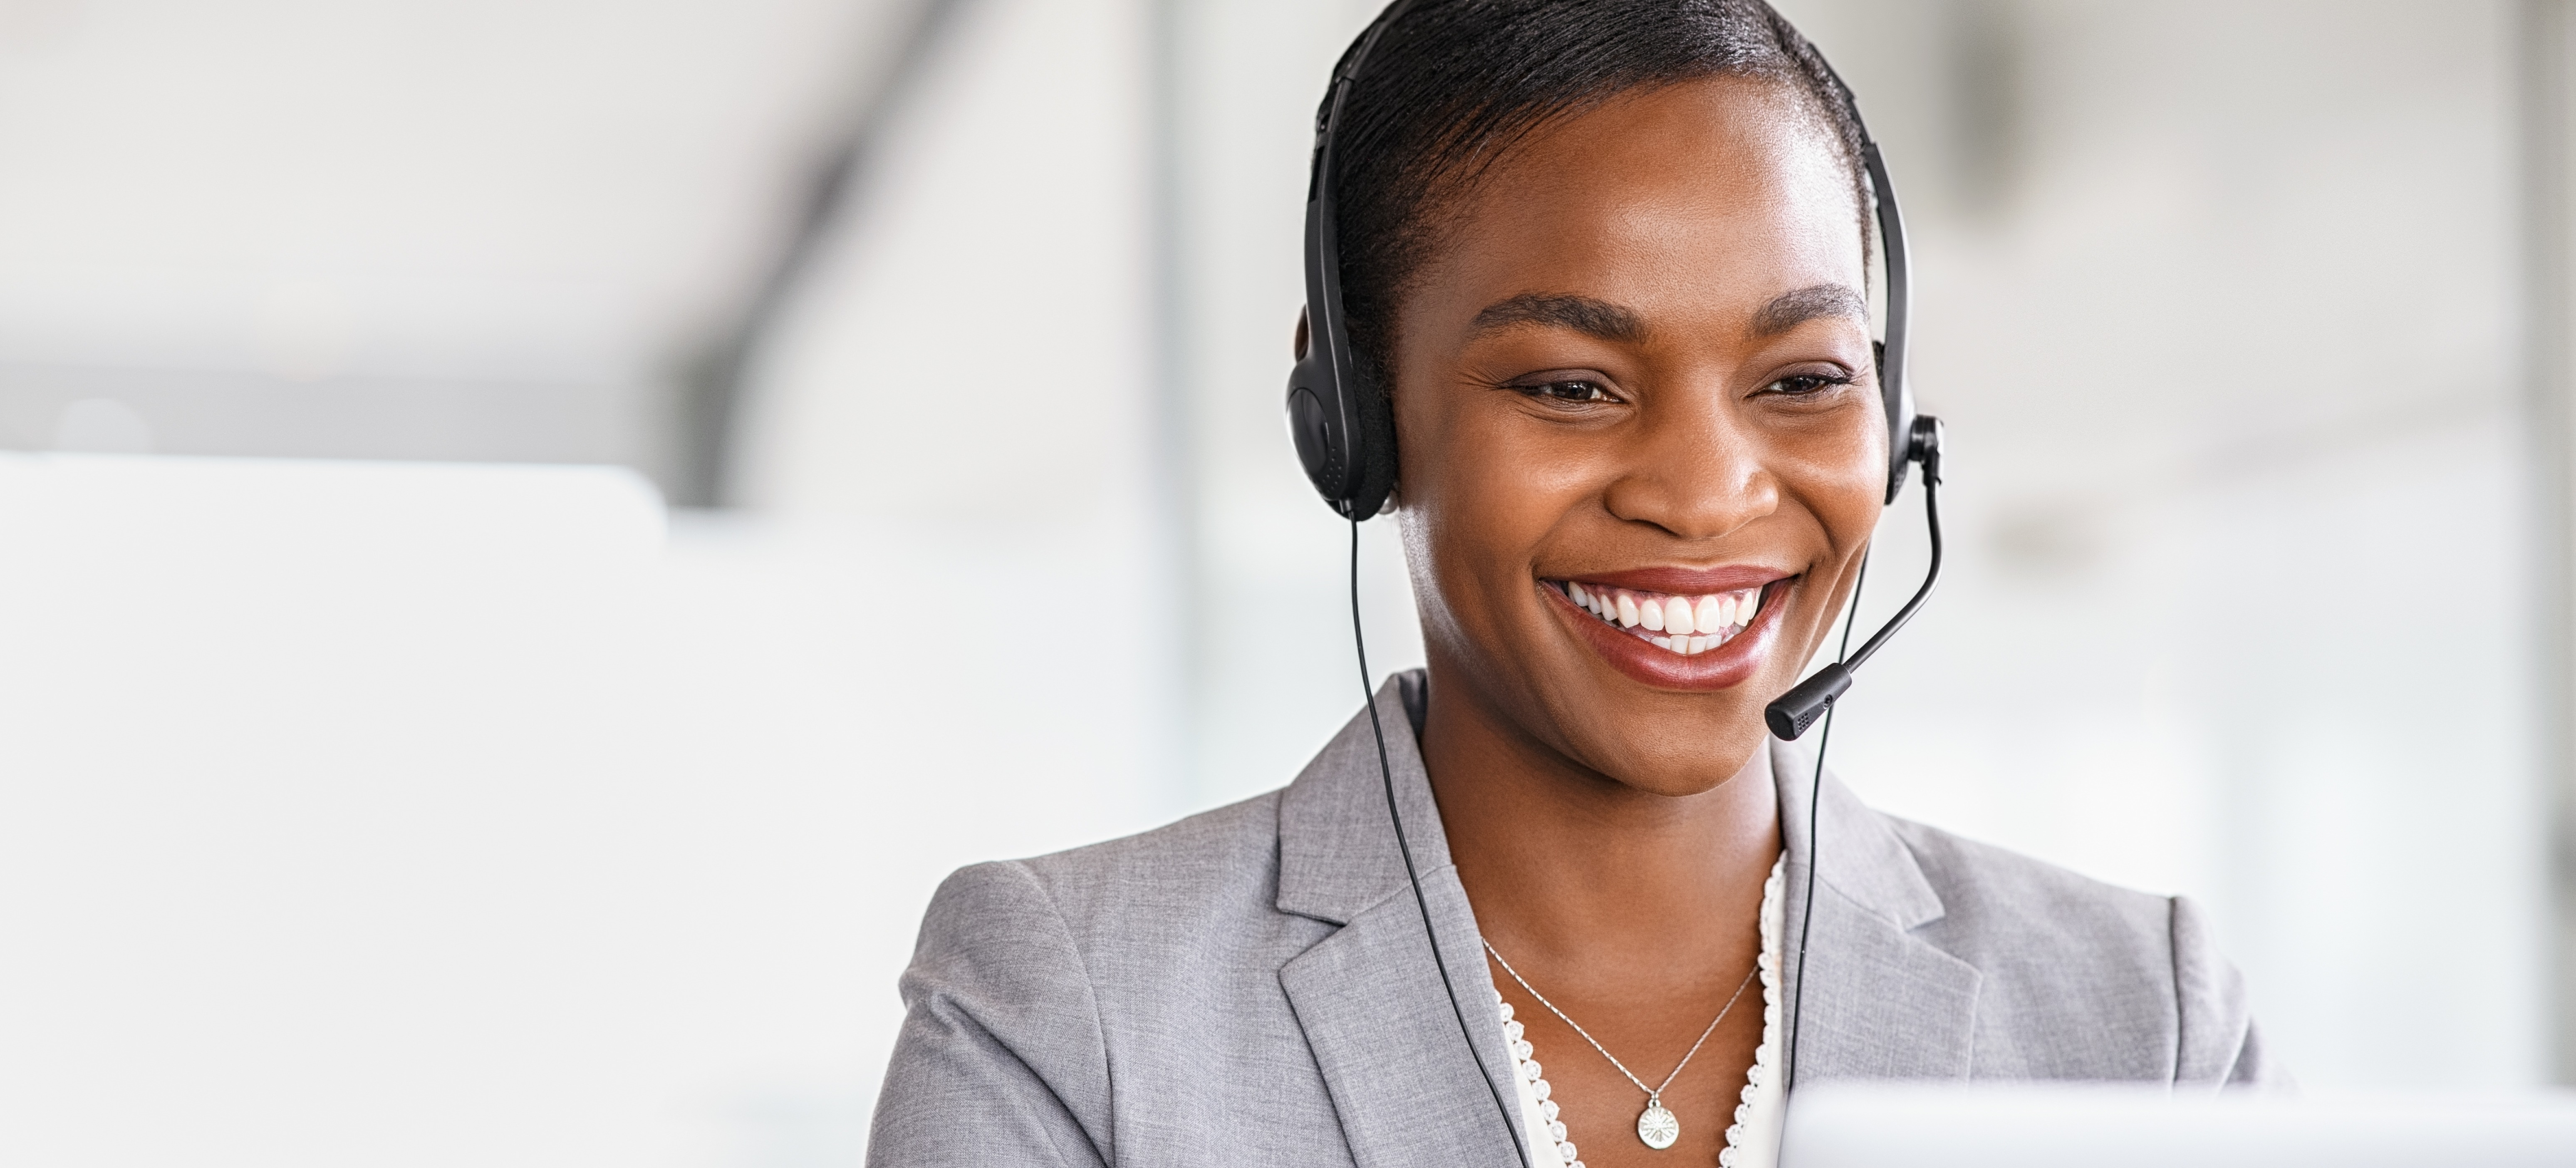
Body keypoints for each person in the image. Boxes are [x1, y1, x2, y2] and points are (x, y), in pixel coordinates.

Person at [866, 2, 2277, 1166]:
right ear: (1356, 416)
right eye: (1571, 386)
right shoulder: (1070, 1018)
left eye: (1802, 381)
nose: (1705, 495)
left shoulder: (2141, 1022)